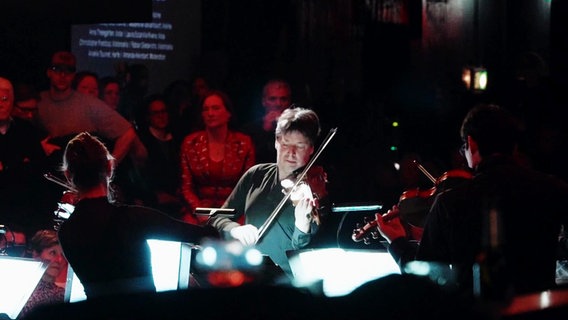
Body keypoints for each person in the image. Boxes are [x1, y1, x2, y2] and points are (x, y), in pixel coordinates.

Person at [376, 104, 568, 299]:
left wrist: (397, 242)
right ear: (514, 146)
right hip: (541, 312)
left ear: (471, 143)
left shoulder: (450, 202)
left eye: (464, 148)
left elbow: (424, 281)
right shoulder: (555, 188)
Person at [56, 132, 220, 299]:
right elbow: (204, 236)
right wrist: (222, 223)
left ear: (68, 175)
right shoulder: (133, 218)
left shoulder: (65, 232)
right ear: (110, 167)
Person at [207, 107, 323, 278]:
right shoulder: (256, 174)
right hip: (252, 276)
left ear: (311, 149)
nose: (291, 152)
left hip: (291, 283)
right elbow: (217, 217)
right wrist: (234, 229)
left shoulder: (313, 189)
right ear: (276, 141)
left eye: (300, 146)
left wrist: (302, 226)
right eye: (285, 143)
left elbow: (306, 254)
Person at [180, 90, 255, 224]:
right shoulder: (190, 143)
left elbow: (247, 187)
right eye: (206, 109)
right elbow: (186, 187)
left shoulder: (243, 143)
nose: (210, 113)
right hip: (199, 210)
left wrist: (228, 214)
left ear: (228, 113)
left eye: (215, 108)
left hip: (233, 210)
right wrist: (200, 211)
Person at [0, 77, 51, 238]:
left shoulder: (26, 130)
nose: (1, 103)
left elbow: (39, 171)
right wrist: (19, 166)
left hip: (23, 214)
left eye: (5, 99)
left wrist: (9, 168)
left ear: (12, 102)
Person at [137, 94, 184, 218]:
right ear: (148, 117)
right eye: (156, 113)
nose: (161, 116)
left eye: (163, 112)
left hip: (176, 197)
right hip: (153, 201)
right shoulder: (142, 140)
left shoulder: (176, 139)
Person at [241, 79, 292, 164]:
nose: (278, 104)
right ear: (264, 102)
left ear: (289, 102)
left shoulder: (299, 128)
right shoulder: (248, 130)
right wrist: (265, 130)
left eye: (283, 99)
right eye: (272, 99)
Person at [19, 230, 66, 319]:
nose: (59, 260)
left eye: (63, 255)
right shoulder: (18, 288)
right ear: (36, 254)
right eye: (53, 253)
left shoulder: (62, 295)